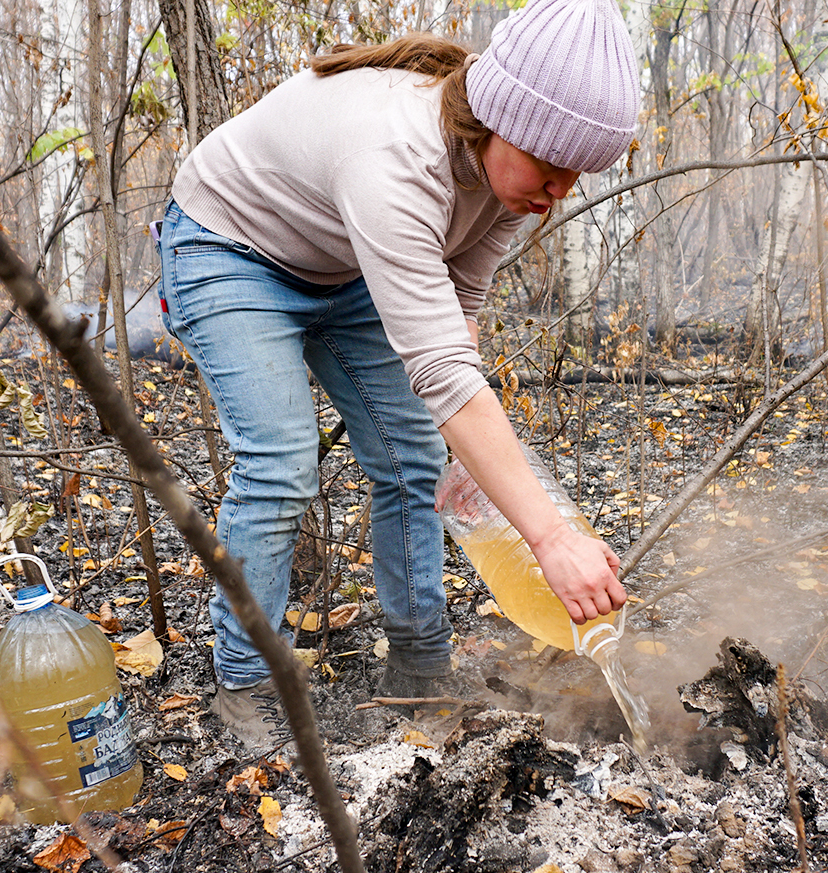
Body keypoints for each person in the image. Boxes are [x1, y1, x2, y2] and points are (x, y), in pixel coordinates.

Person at [158, 0, 639, 746]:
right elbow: (442, 368)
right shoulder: (393, 155)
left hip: (343, 265)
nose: (559, 193)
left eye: (576, 174)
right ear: (498, 118)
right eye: (551, 166)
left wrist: (473, 451)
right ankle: (246, 684)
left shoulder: (512, 182)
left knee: (414, 456)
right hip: (228, 249)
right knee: (282, 462)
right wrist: (550, 539)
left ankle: (419, 669)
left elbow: (459, 306)